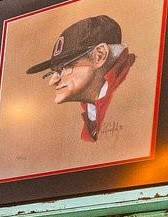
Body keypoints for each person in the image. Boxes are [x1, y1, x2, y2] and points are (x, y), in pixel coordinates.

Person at [26, 13, 138, 142]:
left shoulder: (131, 97)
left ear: (99, 55)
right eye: (54, 72)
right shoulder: (96, 105)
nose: (52, 81)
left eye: (64, 67)